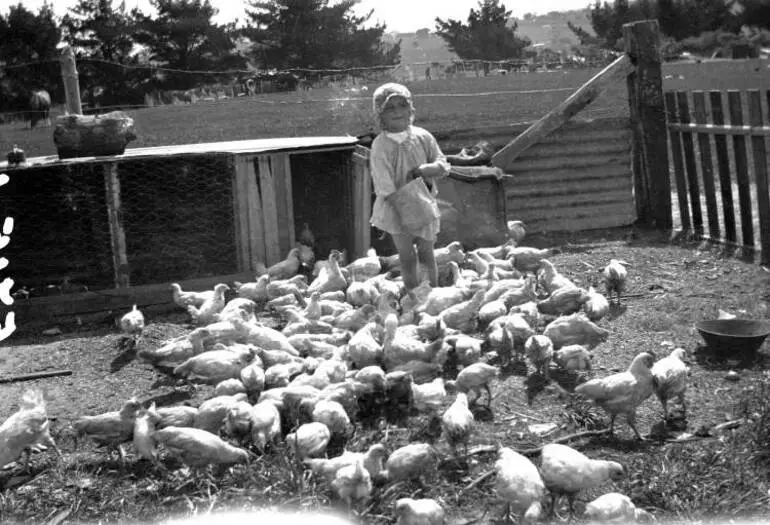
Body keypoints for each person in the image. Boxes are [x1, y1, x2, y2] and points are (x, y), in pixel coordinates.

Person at [369, 82, 450, 295]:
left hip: (423, 205)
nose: (397, 111)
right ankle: (413, 294)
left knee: (427, 253)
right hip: (397, 208)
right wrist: (404, 206)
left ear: (410, 109)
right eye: (390, 108)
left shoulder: (423, 137)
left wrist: (426, 169)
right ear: (380, 114)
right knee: (406, 256)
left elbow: (442, 163)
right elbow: (384, 185)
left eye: (402, 105)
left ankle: (432, 294)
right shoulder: (380, 145)